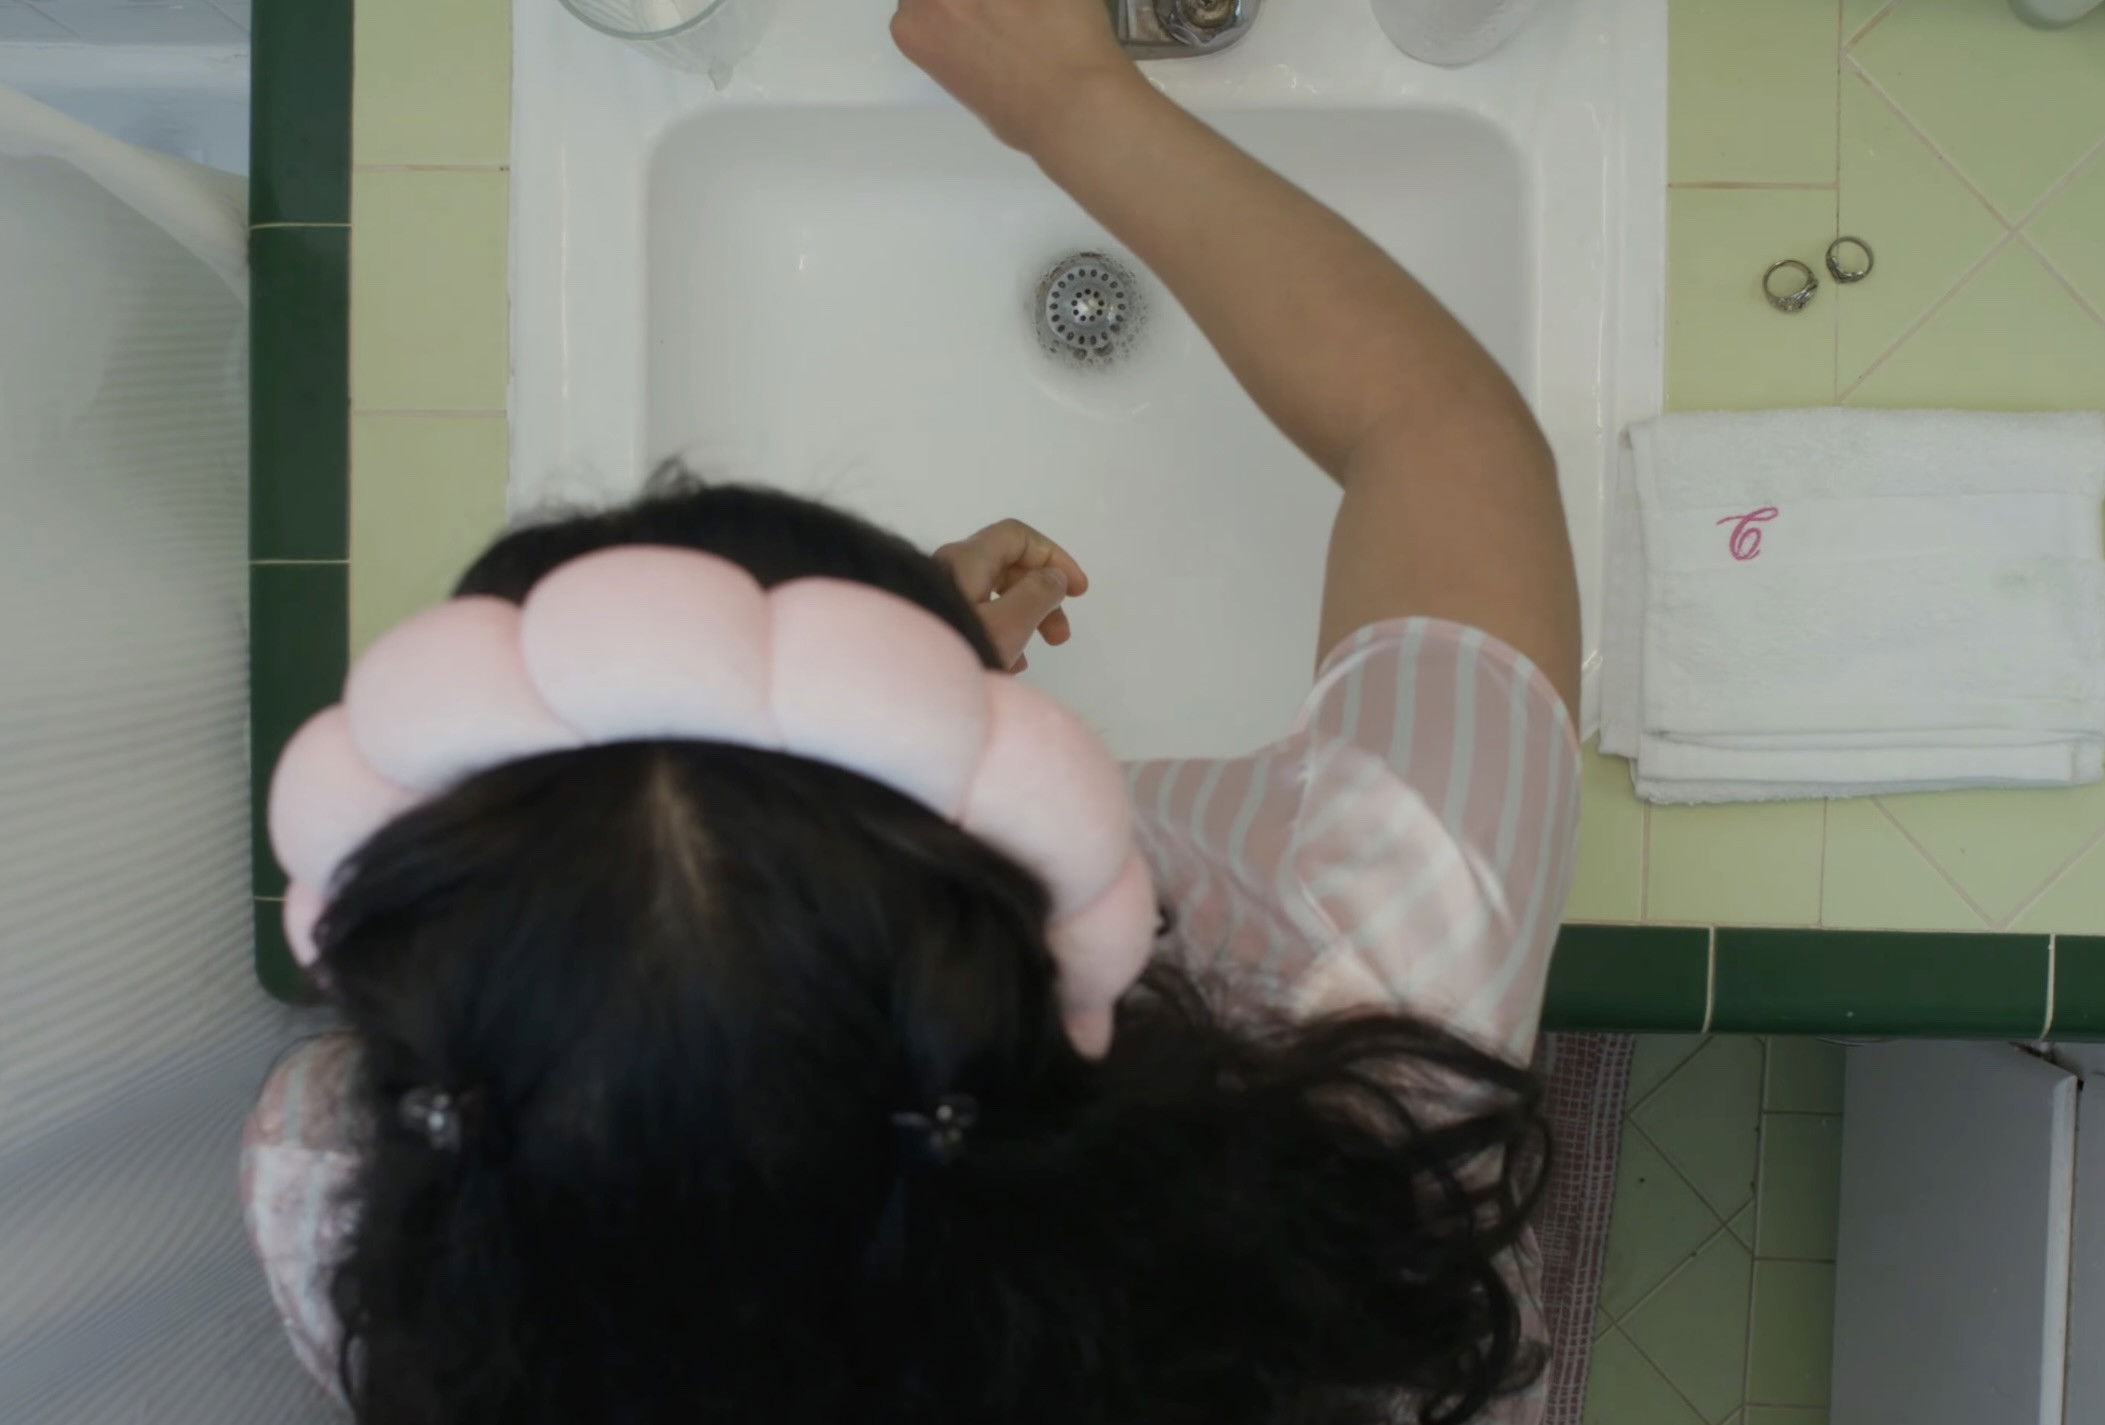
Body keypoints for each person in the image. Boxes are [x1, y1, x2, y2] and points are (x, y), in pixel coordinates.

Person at [240, 0, 1582, 1421]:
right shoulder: (1355, 1013)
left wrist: (885, 703)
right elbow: (1439, 434)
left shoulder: (337, 1190)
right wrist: (1070, 98)